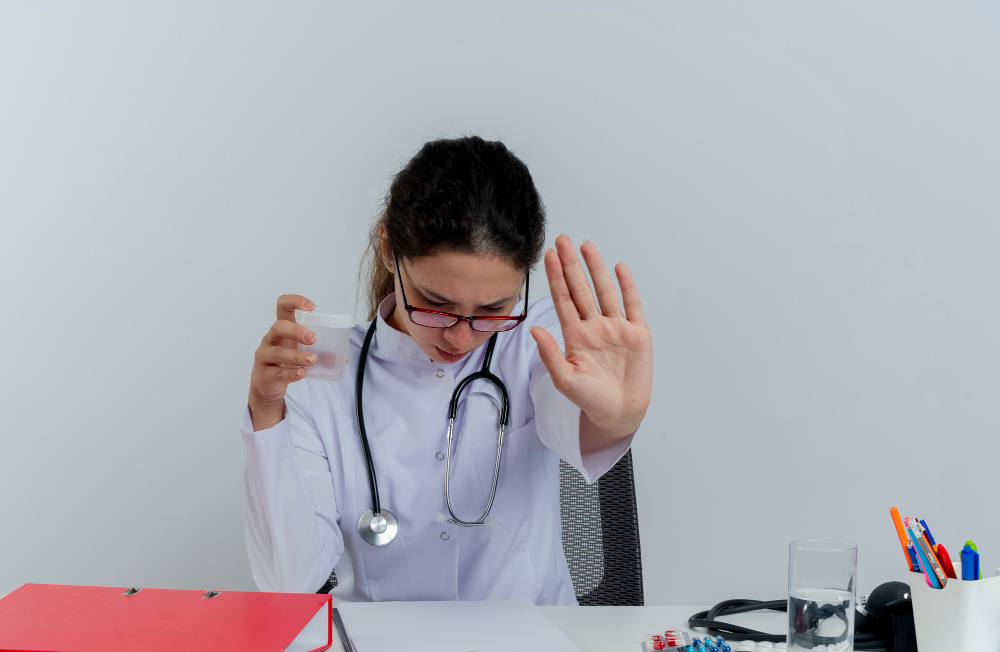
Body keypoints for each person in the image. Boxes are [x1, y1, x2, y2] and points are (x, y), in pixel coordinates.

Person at [241, 135, 653, 604]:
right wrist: (266, 411)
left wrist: (618, 417)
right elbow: (287, 580)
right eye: (435, 304)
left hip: (528, 639)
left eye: (493, 308)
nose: (460, 337)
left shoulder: (537, 339)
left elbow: (581, 430)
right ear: (387, 248)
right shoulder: (322, 374)